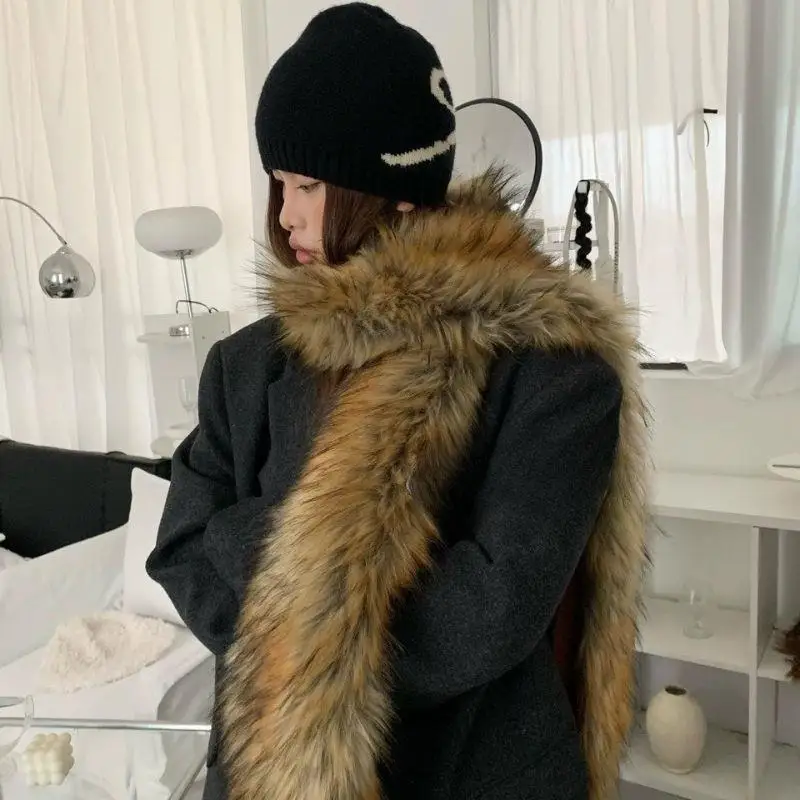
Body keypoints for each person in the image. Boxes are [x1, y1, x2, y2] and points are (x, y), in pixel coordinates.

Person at [145, 4, 650, 800]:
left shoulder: (555, 374)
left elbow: (491, 609)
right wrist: (324, 618)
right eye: (279, 183)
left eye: (309, 184)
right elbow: (179, 546)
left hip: (468, 770)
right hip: (263, 776)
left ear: (396, 192)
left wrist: (251, 542)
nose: (285, 214)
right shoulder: (243, 366)